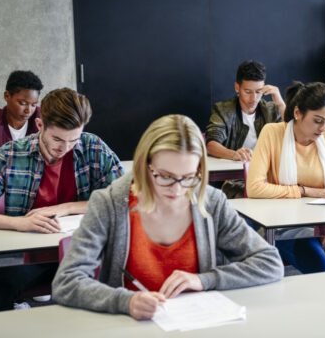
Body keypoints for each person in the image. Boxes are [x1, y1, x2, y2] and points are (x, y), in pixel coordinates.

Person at [52, 114, 283, 320]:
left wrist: (205, 280)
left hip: (197, 324)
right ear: (145, 165)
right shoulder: (109, 204)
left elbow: (270, 263)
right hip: (130, 326)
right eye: (165, 176)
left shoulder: (211, 202)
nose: (177, 188)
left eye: (188, 177)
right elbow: (67, 282)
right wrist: (125, 301)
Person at [0, 87, 124, 312]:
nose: (65, 148)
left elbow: (124, 198)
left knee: (116, 294)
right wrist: (19, 223)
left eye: (74, 139)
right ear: (40, 125)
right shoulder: (10, 154)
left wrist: (66, 208)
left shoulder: (94, 147)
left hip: (86, 249)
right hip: (31, 255)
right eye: (58, 139)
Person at [246, 81, 325, 288]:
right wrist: (306, 191)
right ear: (297, 112)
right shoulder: (272, 133)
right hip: (288, 227)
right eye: (317, 121)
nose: (323, 128)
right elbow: (255, 187)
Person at [206, 60, 285, 198]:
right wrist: (234, 154)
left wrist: (280, 103)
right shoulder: (223, 110)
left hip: (268, 176)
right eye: (247, 91)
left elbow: (292, 135)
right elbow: (211, 145)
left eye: (258, 92)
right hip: (235, 179)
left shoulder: (271, 109)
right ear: (237, 87)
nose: (253, 98)